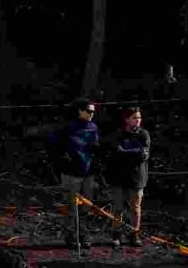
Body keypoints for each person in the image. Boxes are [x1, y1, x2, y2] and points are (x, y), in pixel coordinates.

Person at [51, 98, 101, 247]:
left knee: (86, 207)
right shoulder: (68, 128)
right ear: (80, 111)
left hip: (88, 172)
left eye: (93, 112)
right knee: (71, 207)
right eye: (88, 111)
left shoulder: (93, 127)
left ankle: (83, 235)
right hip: (71, 172)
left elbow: (96, 147)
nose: (91, 114)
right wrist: (64, 159)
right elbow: (55, 147)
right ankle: (71, 236)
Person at [108, 105, 151, 244]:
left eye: (139, 117)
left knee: (135, 208)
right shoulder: (118, 134)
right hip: (119, 176)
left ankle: (134, 234)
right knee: (118, 208)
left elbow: (143, 156)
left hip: (137, 177)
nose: (138, 120)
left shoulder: (144, 134)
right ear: (127, 119)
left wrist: (125, 152)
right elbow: (116, 153)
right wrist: (134, 152)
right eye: (134, 118)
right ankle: (116, 234)